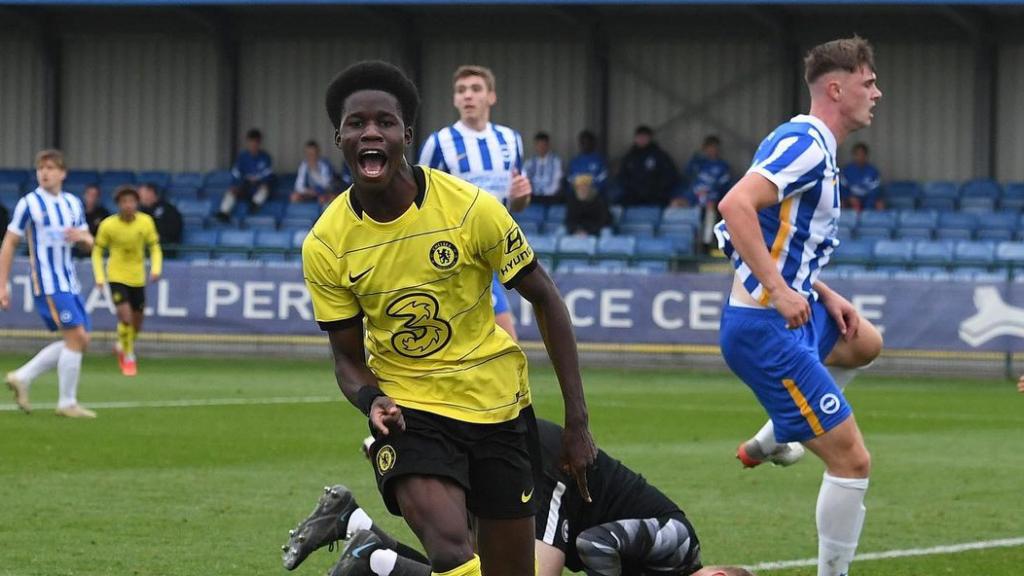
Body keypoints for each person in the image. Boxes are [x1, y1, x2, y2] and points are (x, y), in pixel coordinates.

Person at [304, 60, 596, 576]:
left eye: (385, 122)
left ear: (406, 136)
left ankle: (378, 559)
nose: (371, 131)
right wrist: (372, 401)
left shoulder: (469, 210)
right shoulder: (326, 243)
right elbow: (347, 360)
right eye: (357, 123)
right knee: (449, 548)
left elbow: (546, 298)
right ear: (340, 138)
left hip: (497, 407)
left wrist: (577, 420)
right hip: (411, 410)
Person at [713, 37, 884, 576]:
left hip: (792, 313)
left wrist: (817, 290)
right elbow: (734, 206)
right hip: (765, 328)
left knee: (864, 343)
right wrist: (782, 291)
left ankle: (769, 439)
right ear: (837, 88)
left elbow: (738, 231)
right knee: (852, 461)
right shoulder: (806, 143)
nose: (877, 92)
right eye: (868, 82)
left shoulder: (812, 145)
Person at [279, 419, 754, 576]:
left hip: (552, 487)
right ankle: (373, 555)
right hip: (559, 474)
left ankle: (362, 536)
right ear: (716, 570)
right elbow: (596, 546)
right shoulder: (680, 542)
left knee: (470, 564)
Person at [417, 65, 531, 340]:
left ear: (491, 97)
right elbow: (417, 202)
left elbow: (517, 204)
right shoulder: (439, 143)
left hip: (492, 253)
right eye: (461, 90)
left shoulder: (510, 140)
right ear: (455, 99)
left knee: (495, 344)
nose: (468, 96)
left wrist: (520, 197)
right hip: (455, 257)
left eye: (476, 89)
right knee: (506, 341)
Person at [0, 149, 96, 418]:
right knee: (75, 337)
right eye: (41, 168)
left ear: (63, 173)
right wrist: (2, 284)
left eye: (51, 167)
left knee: (81, 339)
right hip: (48, 281)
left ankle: (22, 376)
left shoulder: (73, 204)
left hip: (69, 280)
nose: (45, 172)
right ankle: (67, 403)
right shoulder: (29, 203)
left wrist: (84, 238)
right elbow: (9, 242)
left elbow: (89, 242)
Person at [92, 186, 162, 376]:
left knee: (137, 323)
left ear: (137, 203)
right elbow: (97, 252)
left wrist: (156, 268)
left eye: (131, 201)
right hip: (116, 276)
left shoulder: (145, 222)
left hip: (137, 278)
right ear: (118, 204)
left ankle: (121, 344)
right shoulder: (108, 225)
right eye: (124, 202)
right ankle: (128, 357)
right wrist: (99, 276)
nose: (128, 205)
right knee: (125, 317)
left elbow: (154, 247)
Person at [674, 135, 733, 247]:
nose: (711, 150)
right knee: (675, 204)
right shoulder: (697, 163)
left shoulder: (722, 167)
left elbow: (724, 188)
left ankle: (705, 244)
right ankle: (679, 241)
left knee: (710, 208)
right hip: (693, 197)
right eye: (709, 148)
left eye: (714, 147)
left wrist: (713, 197)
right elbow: (686, 179)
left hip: (711, 199)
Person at [216, 128, 274, 221]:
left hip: (257, 186)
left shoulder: (265, 157)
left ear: (259, 143)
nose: (253, 145)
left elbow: (267, 175)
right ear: (248, 142)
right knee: (232, 190)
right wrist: (239, 184)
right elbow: (236, 174)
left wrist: (258, 180)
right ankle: (224, 212)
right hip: (244, 186)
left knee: (265, 188)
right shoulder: (242, 157)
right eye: (251, 142)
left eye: (256, 142)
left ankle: (254, 205)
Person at [618, 125, 678, 207]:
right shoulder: (629, 157)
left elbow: (670, 175)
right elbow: (622, 177)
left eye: (644, 137)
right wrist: (634, 188)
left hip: (656, 195)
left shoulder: (660, 155)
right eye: (639, 137)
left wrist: (656, 189)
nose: (642, 140)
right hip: (633, 195)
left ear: (650, 138)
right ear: (635, 138)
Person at [138, 183, 182, 257]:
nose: (139, 197)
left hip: (164, 250)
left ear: (151, 192)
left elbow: (174, 231)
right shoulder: (140, 212)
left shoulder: (169, 209)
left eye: (141, 194)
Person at [292, 139, 339, 205]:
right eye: (308, 154)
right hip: (310, 192)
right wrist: (308, 191)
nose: (311, 157)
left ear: (318, 153)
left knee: (324, 198)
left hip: (325, 192)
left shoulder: (325, 164)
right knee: (294, 197)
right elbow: (298, 186)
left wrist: (316, 190)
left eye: (313, 154)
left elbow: (327, 184)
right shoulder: (304, 165)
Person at [523, 132, 563, 205]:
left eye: (543, 145)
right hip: (533, 197)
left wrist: (546, 194)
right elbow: (524, 178)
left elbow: (556, 181)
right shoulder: (530, 162)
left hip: (551, 197)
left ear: (548, 145)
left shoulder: (555, 161)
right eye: (539, 145)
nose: (541, 148)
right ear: (535, 145)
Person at [840, 142, 882, 212]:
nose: (860, 157)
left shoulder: (873, 171)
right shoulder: (846, 170)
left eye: (862, 154)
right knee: (841, 203)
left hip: (867, 198)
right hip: (851, 199)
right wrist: (849, 197)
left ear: (866, 155)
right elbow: (842, 188)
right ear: (854, 155)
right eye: (857, 154)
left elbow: (875, 190)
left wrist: (869, 203)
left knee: (880, 204)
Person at [566, 130, 608, 197]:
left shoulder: (600, 160)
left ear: (593, 143)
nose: (585, 145)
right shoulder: (575, 161)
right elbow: (570, 181)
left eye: (587, 142)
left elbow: (603, 181)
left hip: (594, 195)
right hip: (576, 195)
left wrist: (590, 188)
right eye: (582, 142)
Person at [75, 184, 110, 258]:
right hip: (80, 247)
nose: (91, 197)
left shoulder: (103, 213)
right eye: (89, 194)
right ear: (84, 195)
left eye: (94, 195)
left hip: (98, 248)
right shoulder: (77, 212)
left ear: (98, 197)